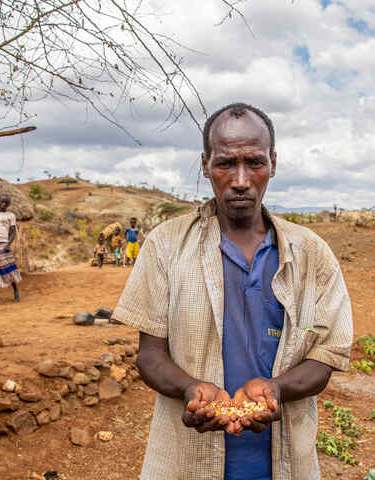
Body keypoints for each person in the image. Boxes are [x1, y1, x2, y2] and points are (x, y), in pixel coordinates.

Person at [113, 103, 353, 480]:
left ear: (273, 163)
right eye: (226, 163)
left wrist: (276, 389)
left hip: (284, 464)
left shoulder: (311, 253)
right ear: (206, 164)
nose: (241, 180)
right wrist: (190, 388)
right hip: (186, 463)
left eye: (254, 162)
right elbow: (150, 355)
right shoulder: (166, 245)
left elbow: (325, 358)